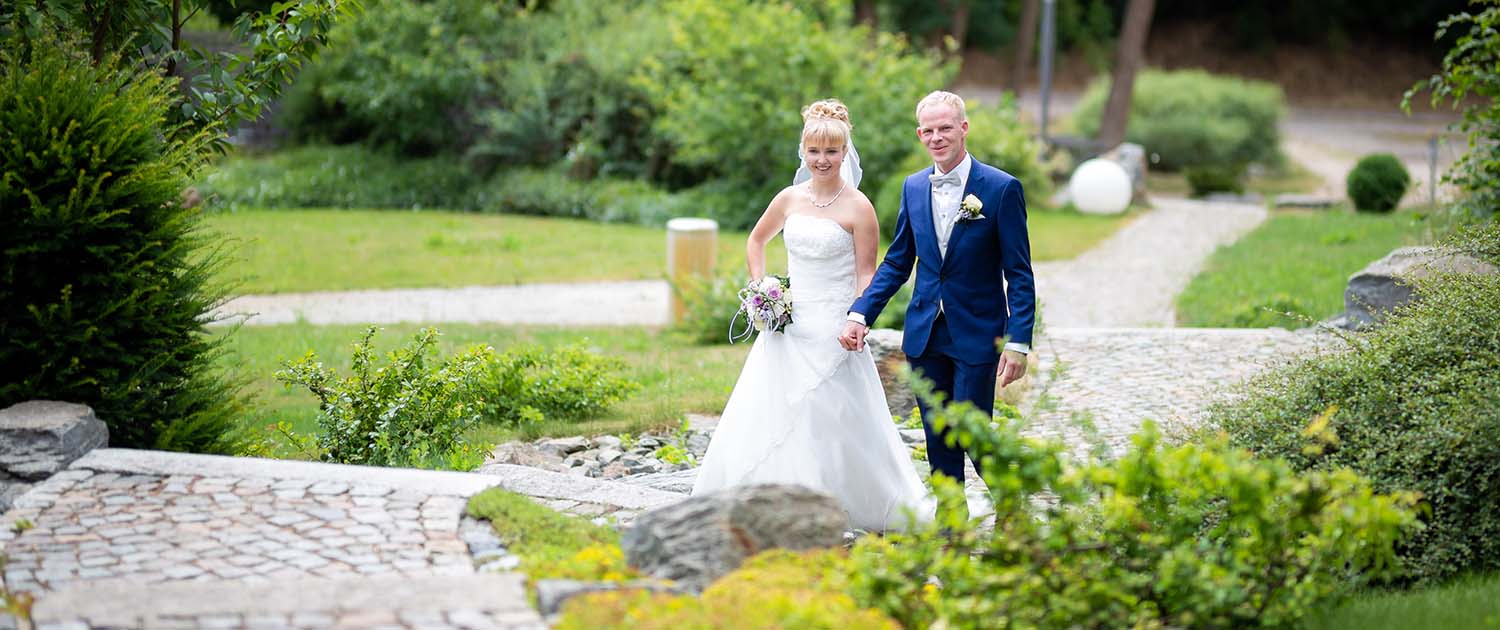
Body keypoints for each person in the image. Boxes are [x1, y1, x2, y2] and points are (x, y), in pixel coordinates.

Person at [690, 99, 930, 532]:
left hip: (836, 327)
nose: (822, 160)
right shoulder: (788, 199)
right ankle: (773, 506)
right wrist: (762, 287)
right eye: (814, 152)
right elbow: (757, 241)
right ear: (803, 152)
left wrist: (859, 318)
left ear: (845, 152)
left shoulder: (859, 207)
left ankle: (838, 506)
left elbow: (866, 272)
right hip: (789, 325)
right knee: (773, 409)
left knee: (833, 416)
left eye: (832, 152)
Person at [841, 90, 1036, 493]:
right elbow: (898, 261)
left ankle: (1011, 506)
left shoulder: (1001, 189)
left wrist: (1018, 342)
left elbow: (1018, 272)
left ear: (963, 128)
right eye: (928, 130)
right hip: (926, 333)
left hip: (978, 331)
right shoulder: (914, 188)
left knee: (972, 432)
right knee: (936, 433)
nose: (937, 137)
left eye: (945, 128)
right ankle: (951, 521)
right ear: (919, 134)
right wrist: (861, 312)